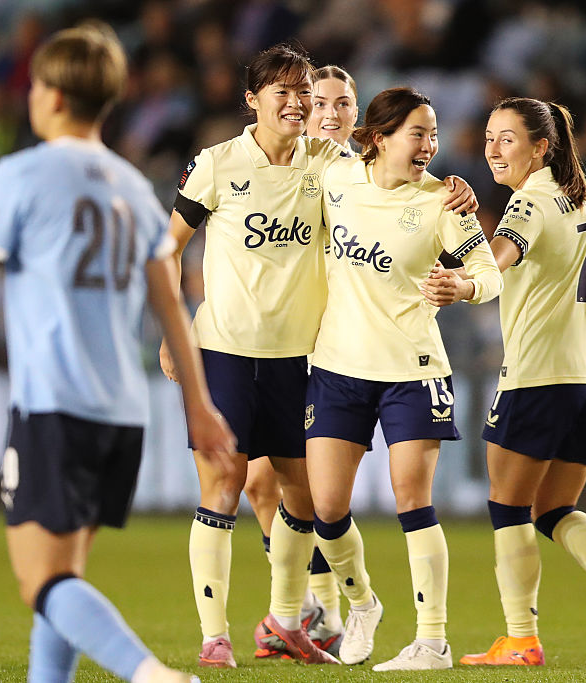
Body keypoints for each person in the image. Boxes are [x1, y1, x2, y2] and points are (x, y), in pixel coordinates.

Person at [0, 25, 236, 683]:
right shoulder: (133, 186)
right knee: (65, 575)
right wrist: (198, 404)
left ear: (55, 95)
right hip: (121, 411)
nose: (31, 96)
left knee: (42, 581)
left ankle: (148, 672)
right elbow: (170, 306)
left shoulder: (22, 174)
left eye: (35, 85)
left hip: (54, 404)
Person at [160, 47, 480, 668]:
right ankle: (215, 635)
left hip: (302, 356)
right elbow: (169, 246)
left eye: (302, 90)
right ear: (251, 99)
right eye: (281, 91)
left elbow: (394, 175)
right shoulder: (217, 166)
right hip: (225, 347)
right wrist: (174, 334)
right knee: (226, 482)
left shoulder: (332, 167)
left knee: (302, 495)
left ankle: (292, 618)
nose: (296, 101)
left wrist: (451, 189)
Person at [443, 97, 586, 668]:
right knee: (553, 508)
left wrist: (462, 282)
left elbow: (499, 256)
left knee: (508, 506)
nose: (493, 148)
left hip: (536, 376)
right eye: (489, 136)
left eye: (507, 138)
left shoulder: (530, 202)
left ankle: (521, 639)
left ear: (541, 147)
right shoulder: (574, 204)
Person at [305, 87, 503, 671]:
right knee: (326, 509)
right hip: (337, 367)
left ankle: (433, 641)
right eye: (418, 133)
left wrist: (460, 287)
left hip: (412, 370)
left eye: (434, 133)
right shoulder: (336, 180)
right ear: (379, 138)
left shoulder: (442, 203)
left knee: (413, 501)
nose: (430, 146)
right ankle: (362, 603)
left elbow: (488, 274)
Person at [239, 63, 359, 658]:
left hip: (337, 350)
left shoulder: (362, 176)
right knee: (263, 485)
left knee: (299, 488)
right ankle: (313, 608)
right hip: (285, 345)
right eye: (323, 103)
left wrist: (453, 188)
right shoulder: (303, 172)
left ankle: (323, 611)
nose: (332, 112)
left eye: (344, 103)